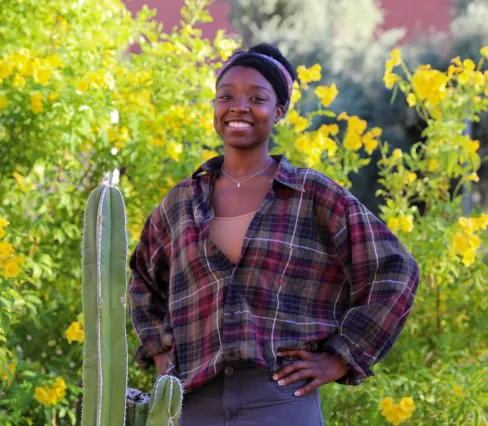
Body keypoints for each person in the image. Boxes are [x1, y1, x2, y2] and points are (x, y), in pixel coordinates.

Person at [127, 43, 419, 426]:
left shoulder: (314, 195)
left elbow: (396, 270)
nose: (238, 107)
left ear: (279, 110)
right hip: (191, 405)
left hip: (280, 402)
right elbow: (143, 281)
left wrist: (339, 357)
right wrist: (159, 350)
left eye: (257, 98)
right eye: (226, 96)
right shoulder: (181, 201)